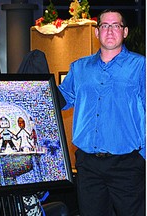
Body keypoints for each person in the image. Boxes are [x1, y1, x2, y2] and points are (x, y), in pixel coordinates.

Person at [58, 9, 145, 216]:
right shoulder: (79, 68)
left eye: (115, 25)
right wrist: (40, 86)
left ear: (125, 32)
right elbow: (61, 99)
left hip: (128, 164)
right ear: (97, 33)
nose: (109, 31)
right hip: (88, 166)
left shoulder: (141, 66)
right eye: (104, 25)